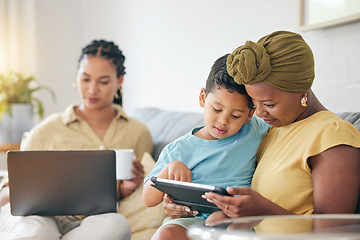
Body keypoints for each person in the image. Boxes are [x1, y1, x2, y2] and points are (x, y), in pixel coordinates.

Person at [198, 31, 360, 222]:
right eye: (254, 103)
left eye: (269, 104)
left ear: (302, 91)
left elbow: (334, 231)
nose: (258, 113)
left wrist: (265, 212)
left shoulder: (332, 134)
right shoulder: (267, 130)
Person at [0, 40, 153, 240]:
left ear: (119, 81)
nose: (92, 89)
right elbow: (5, 196)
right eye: (85, 79)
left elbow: (140, 190)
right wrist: (38, 191)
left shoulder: (138, 133)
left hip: (92, 222)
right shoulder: (45, 131)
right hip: (40, 216)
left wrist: (126, 189)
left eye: (103, 81)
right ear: (77, 78)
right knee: (38, 231)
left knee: (118, 225)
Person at [143, 54, 270, 240]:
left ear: (250, 115)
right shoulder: (179, 149)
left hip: (235, 220)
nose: (223, 121)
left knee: (222, 222)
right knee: (166, 234)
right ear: (203, 98)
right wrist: (169, 169)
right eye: (217, 109)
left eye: (235, 116)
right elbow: (148, 199)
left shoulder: (253, 130)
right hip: (190, 219)